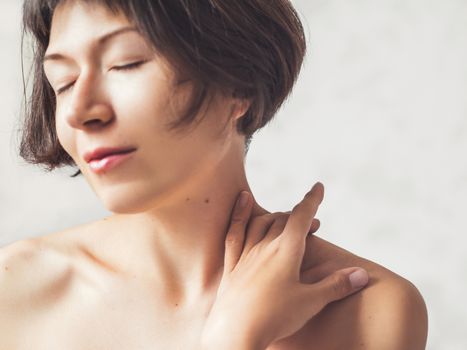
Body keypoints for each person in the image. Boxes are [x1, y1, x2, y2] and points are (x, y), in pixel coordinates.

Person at [1, 0, 428, 349]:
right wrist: (234, 339)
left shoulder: (369, 312)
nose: (78, 111)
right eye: (64, 81)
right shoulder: (16, 289)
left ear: (237, 83)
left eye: (125, 63)